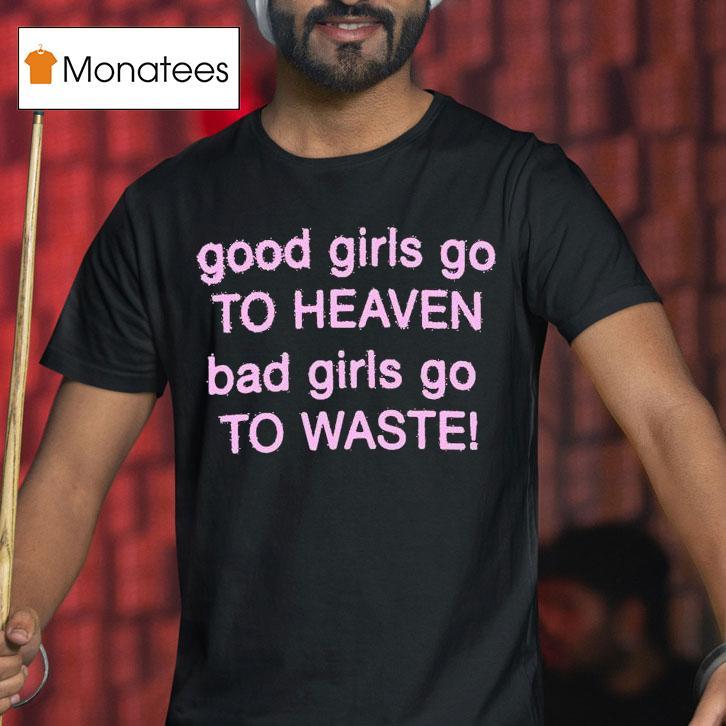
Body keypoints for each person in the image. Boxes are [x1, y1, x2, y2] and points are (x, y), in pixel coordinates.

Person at [2, 0, 724, 723]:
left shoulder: (524, 186)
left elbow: (664, 414)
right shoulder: (165, 210)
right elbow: (70, 475)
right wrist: (15, 622)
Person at [538, 522, 699, 725]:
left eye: (567, 607)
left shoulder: (702, 698)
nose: (550, 627)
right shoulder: (545, 703)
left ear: (630, 619)